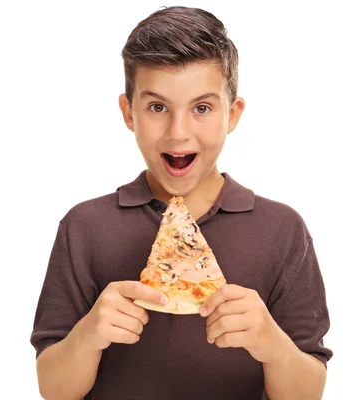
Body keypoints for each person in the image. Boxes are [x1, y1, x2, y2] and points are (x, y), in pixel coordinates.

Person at [30, 6, 332, 400]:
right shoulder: (84, 225)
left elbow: (309, 391)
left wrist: (273, 345)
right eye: (157, 107)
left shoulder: (283, 228)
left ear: (233, 114)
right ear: (128, 113)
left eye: (202, 108)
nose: (178, 132)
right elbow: (52, 389)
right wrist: (88, 336)